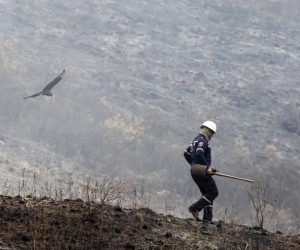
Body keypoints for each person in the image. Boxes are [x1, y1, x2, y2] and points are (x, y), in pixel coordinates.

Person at [184, 121, 219, 223]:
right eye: (212, 133)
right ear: (208, 131)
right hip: (201, 171)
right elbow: (199, 153)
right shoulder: (202, 141)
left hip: (195, 171)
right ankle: (194, 208)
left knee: (207, 193)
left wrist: (193, 165)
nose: (212, 136)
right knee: (213, 192)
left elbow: (186, 154)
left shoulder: (195, 140)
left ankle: (207, 219)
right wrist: (206, 168)